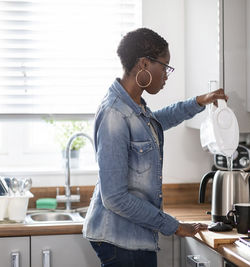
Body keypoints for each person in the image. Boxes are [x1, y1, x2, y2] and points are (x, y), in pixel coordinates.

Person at [83, 27, 228, 267]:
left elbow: (159, 121)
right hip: (121, 241)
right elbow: (115, 197)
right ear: (143, 64)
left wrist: (199, 102)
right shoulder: (114, 114)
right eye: (165, 66)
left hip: (131, 237)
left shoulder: (134, 107)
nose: (166, 75)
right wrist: (173, 225)